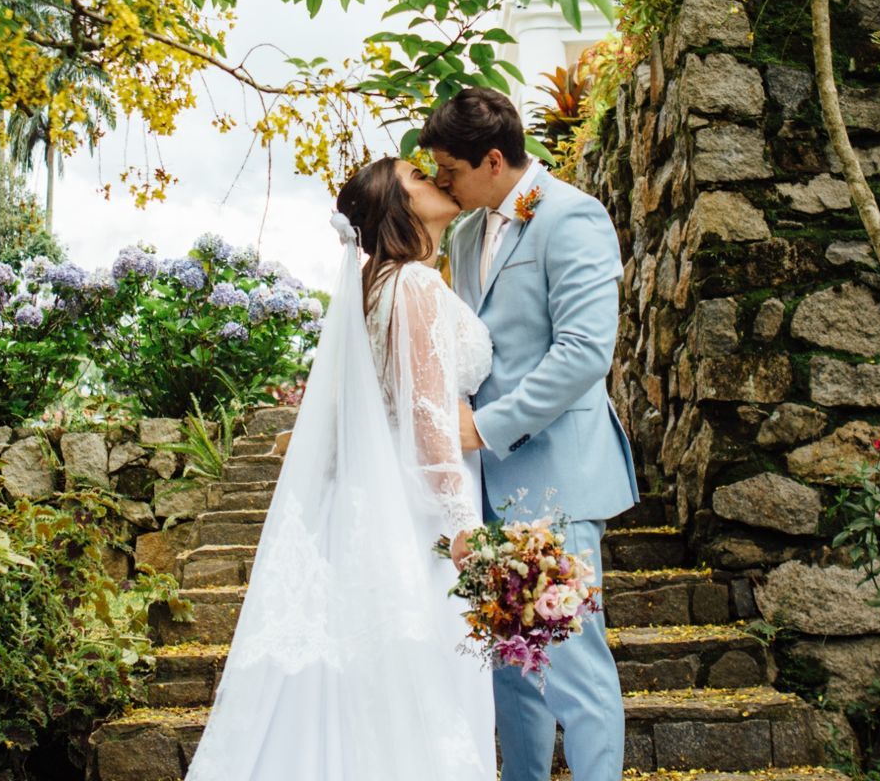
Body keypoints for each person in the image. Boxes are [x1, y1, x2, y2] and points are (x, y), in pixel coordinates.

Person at [185, 156, 496, 780]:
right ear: (395, 207)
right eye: (416, 176)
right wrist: (465, 523)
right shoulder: (412, 284)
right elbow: (425, 413)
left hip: (381, 502)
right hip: (420, 516)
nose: (434, 178)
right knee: (420, 693)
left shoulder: (376, 287)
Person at [422, 86, 638, 781]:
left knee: (573, 662)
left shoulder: (573, 217)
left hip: (557, 477)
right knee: (510, 669)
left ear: (491, 159)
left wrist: (483, 428)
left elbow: (583, 353)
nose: (441, 186)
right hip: (487, 489)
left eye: (448, 172)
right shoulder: (462, 233)